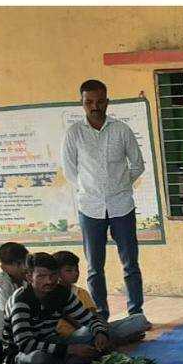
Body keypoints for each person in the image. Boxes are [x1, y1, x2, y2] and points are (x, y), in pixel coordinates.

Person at [61, 79, 147, 322]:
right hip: (90, 208)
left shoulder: (121, 130)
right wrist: (89, 190)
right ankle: (100, 315)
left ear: (107, 102)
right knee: (94, 267)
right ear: (82, 103)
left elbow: (137, 164)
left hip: (122, 206)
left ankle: (136, 313)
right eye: (89, 102)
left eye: (99, 101)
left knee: (130, 264)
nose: (95, 106)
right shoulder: (74, 133)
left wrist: (121, 185)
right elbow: (69, 170)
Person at [2, 253, 111, 364]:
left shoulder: (62, 294)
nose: (49, 281)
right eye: (41, 276)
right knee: (39, 358)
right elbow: (25, 344)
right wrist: (70, 349)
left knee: (95, 332)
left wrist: (100, 333)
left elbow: (90, 319)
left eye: (53, 275)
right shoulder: (21, 300)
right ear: (29, 277)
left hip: (53, 342)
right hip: (22, 352)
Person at [52, 250, 149, 344]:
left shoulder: (81, 292)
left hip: (92, 329)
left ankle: (110, 339)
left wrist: (101, 329)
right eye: (69, 270)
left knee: (139, 319)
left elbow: (93, 317)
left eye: (77, 269)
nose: (76, 273)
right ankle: (118, 339)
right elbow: (77, 325)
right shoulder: (52, 293)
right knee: (87, 332)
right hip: (74, 335)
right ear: (56, 273)